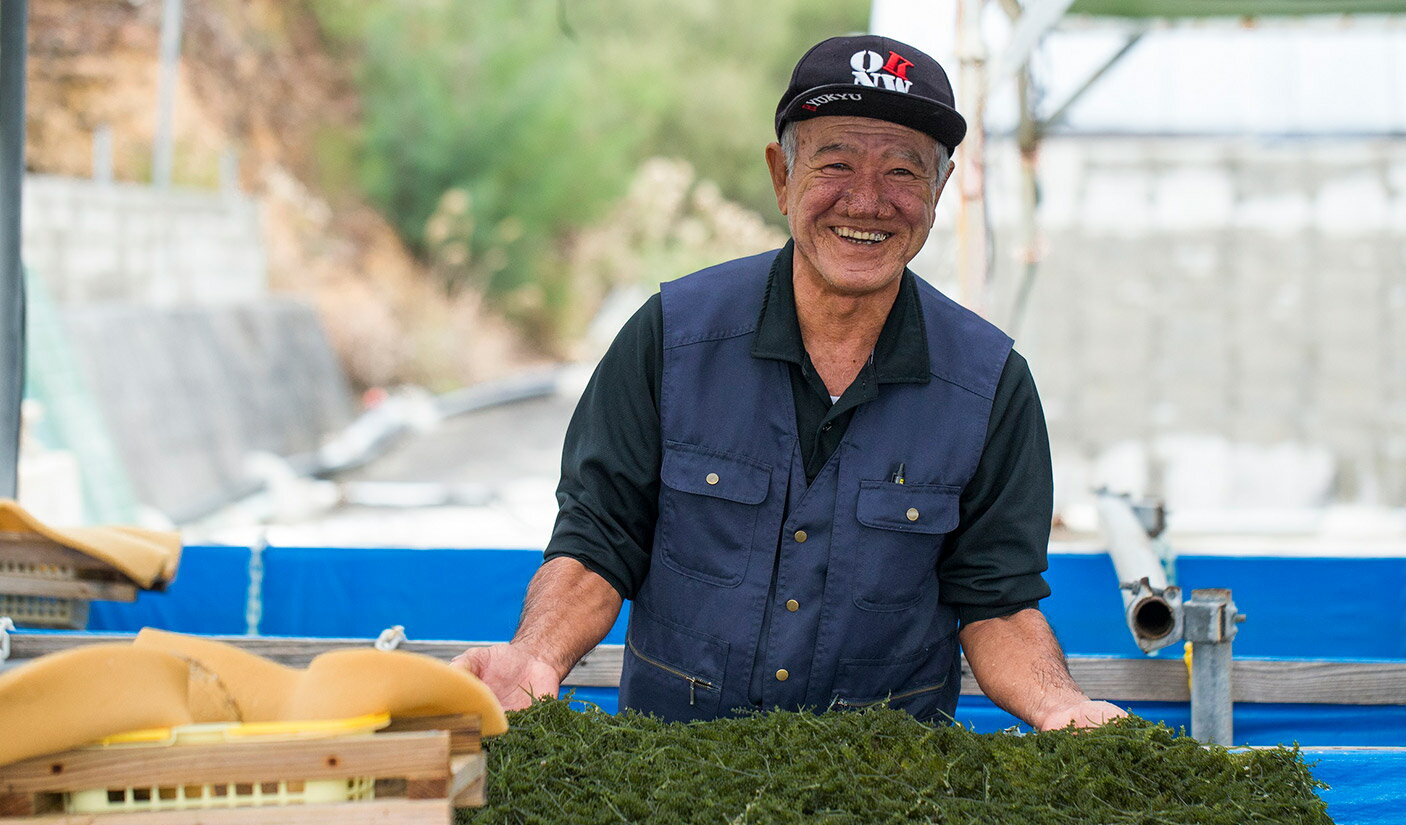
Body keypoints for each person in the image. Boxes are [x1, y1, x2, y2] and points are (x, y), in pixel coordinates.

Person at [455, 34, 1124, 732]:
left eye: (903, 171)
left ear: (940, 190)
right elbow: (597, 541)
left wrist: (1060, 703)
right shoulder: (670, 338)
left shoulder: (991, 385)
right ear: (781, 176)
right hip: (671, 776)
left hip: (891, 793)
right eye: (836, 163)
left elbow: (998, 601)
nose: (867, 202)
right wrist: (534, 655)